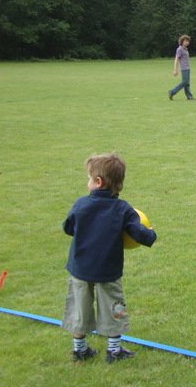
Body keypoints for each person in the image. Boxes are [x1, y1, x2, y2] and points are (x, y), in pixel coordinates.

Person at [61, 153, 157, 363]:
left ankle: (79, 350)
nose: (87, 182)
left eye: (88, 178)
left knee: (80, 307)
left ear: (98, 182)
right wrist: (151, 235)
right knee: (114, 306)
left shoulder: (80, 204)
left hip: (80, 269)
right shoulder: (123, 209)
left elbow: (68, 227)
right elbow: (138, 233)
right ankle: (114, 351)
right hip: (108, 270)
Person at [169, 34, 194, 100]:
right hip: (184, 68)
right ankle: (172, 91)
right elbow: (176, 59)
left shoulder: (185, 49)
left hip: (187, 68)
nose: (187, 42)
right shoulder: (179, 49)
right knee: (185, 82)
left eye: (188, 41)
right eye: (186, 41)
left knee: (187, 83)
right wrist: (175, 69)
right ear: (182, 41)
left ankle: (189, 96)